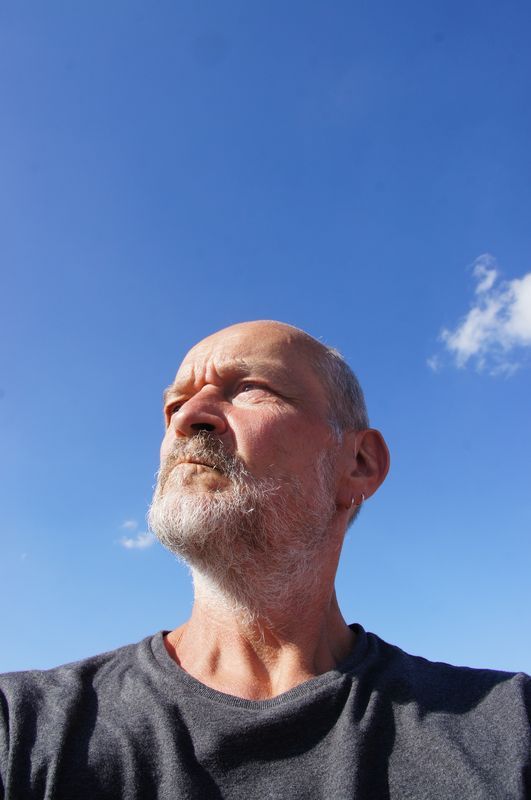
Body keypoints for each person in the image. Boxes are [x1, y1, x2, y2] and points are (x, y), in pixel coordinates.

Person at [0, 320, 529, 800]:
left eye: (250, 388)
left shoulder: (510, 728)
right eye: (174, 405)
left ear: (360, 463)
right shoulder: (20, 728)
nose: (188, 417)